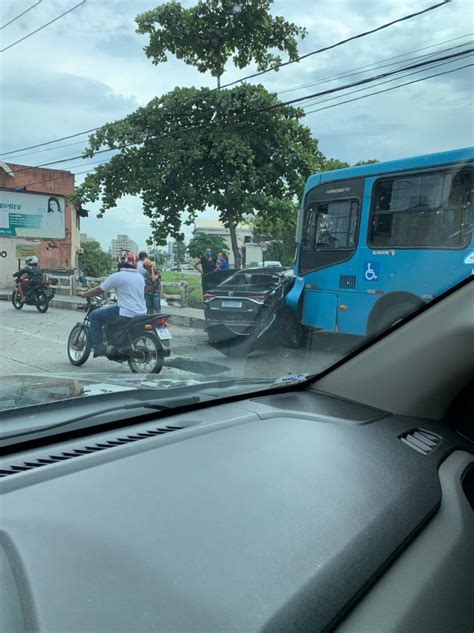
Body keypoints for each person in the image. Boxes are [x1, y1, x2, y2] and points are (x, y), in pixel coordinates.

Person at [80, 254, 146, 358]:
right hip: (141, 313)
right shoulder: (140, 277)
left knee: (94, 316)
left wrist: (85, 294)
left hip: (125, 312)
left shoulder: (118, 276)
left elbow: (100, 290)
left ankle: (98, 347)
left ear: (120, 263)